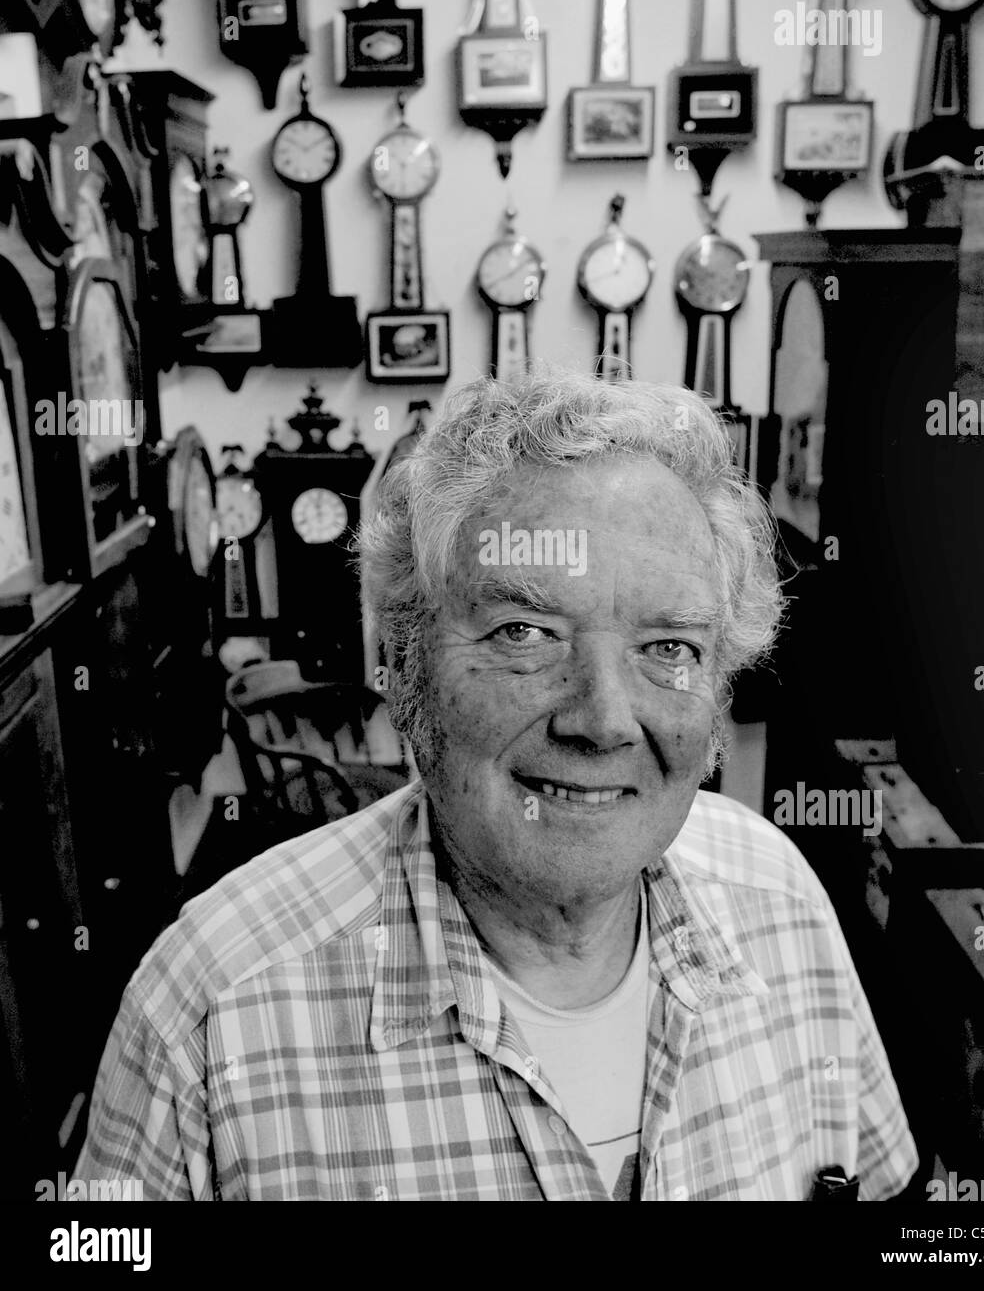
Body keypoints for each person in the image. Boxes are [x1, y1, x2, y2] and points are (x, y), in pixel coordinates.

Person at [73, 371, 917, 1201]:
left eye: (669, 647)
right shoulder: (207, 1013)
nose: (604, 719)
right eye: (525, 632)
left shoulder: (781, 898)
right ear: (403, 665)